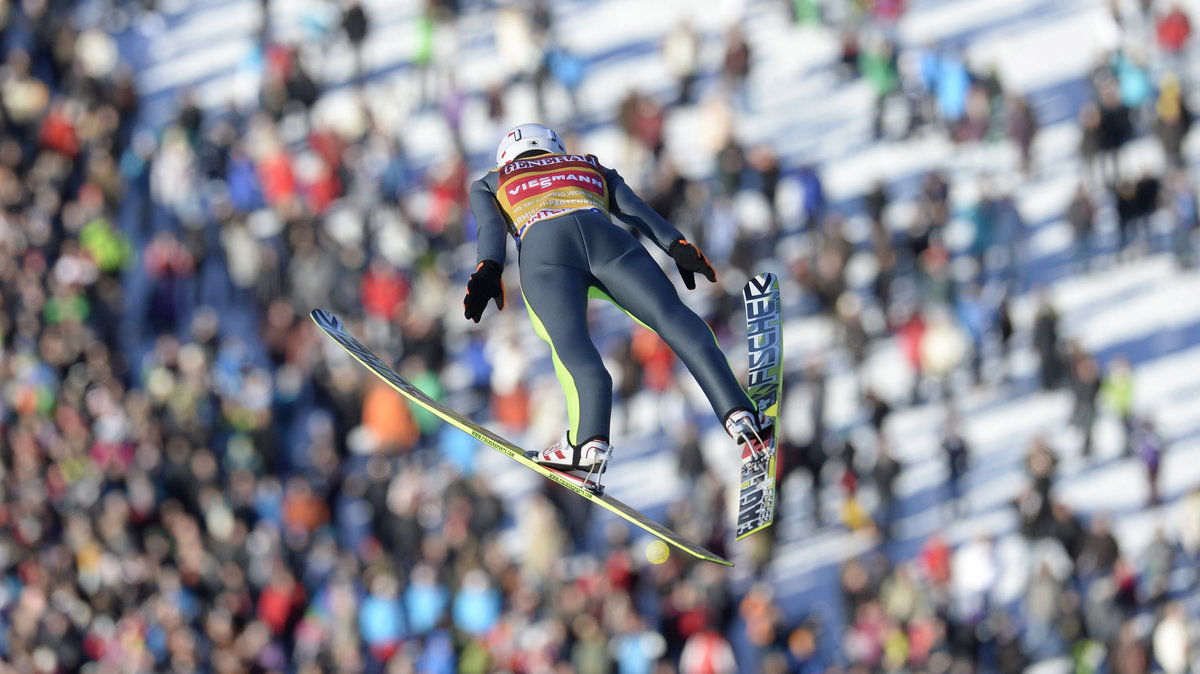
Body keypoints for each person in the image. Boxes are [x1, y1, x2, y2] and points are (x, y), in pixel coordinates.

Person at [462, 123, 770, 487]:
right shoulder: (589, 164)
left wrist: (489, 270)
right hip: (608, 240)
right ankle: (738, 412)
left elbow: (491, 230)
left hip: (545, 251)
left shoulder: (491, 180)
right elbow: (636, 210)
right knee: (674, 319)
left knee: (570, 344)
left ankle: (587, 443)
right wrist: (677, 246)